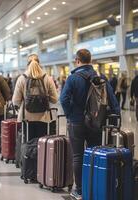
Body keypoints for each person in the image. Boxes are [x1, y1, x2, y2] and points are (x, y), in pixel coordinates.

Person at [60, 49, 119, 200]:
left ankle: (79, 191)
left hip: (77, 121)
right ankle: (93, 187)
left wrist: (70, 114)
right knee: (93, 154)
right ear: (90, 60)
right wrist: (116, 117)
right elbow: (112, 100)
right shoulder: (100, 77)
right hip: (96, 121)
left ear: (77, 60)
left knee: (78, 156)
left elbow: (64, 99)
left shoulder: (72, 78)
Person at [12, 54, 58, 140]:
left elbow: (15, 101)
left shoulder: (22, 79)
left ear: (27, 65)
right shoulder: (47, 78)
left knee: (28, 143)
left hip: (26, 118)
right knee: (42, 144)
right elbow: (55, 99)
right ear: (39, 64)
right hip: (44, 118)